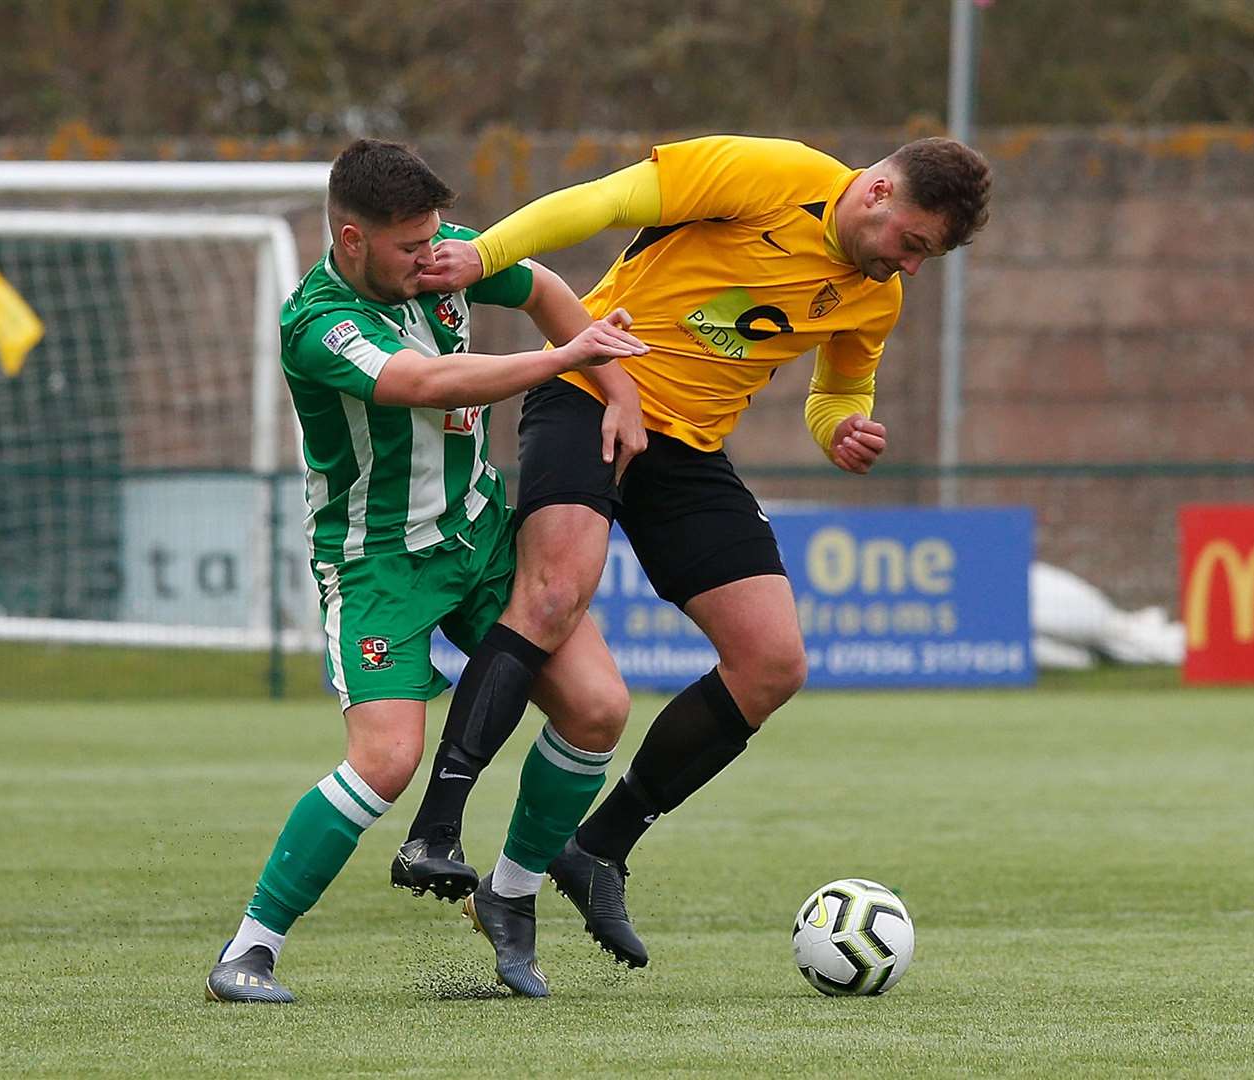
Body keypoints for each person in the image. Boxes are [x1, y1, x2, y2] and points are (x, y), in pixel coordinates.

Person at [417, 134, 992, 976]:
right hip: (588, 389)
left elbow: (838, 387)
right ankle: (437, 827)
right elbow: (603, 202)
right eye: (912, 244)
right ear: (875, 192)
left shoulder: (872, 297)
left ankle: (595, 850)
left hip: (686, 451)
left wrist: (841, 429)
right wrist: (484, 253)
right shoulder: (766, 175)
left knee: (773, 662)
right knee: (552, 596)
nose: (909, 268)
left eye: (925, 258)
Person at [205, 138, 647, 1004]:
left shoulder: (439, 257)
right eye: (409, 246)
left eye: (435, 237)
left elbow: (547, 287)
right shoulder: (319, 324)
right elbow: (428, 381)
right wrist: (567, 361)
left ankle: (509, 895)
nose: (430, 256)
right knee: (386, 762)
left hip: (479, 542)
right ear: (351, 239)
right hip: (377, 565)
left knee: (598, 708)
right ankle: (248, 950)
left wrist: (619, 389)